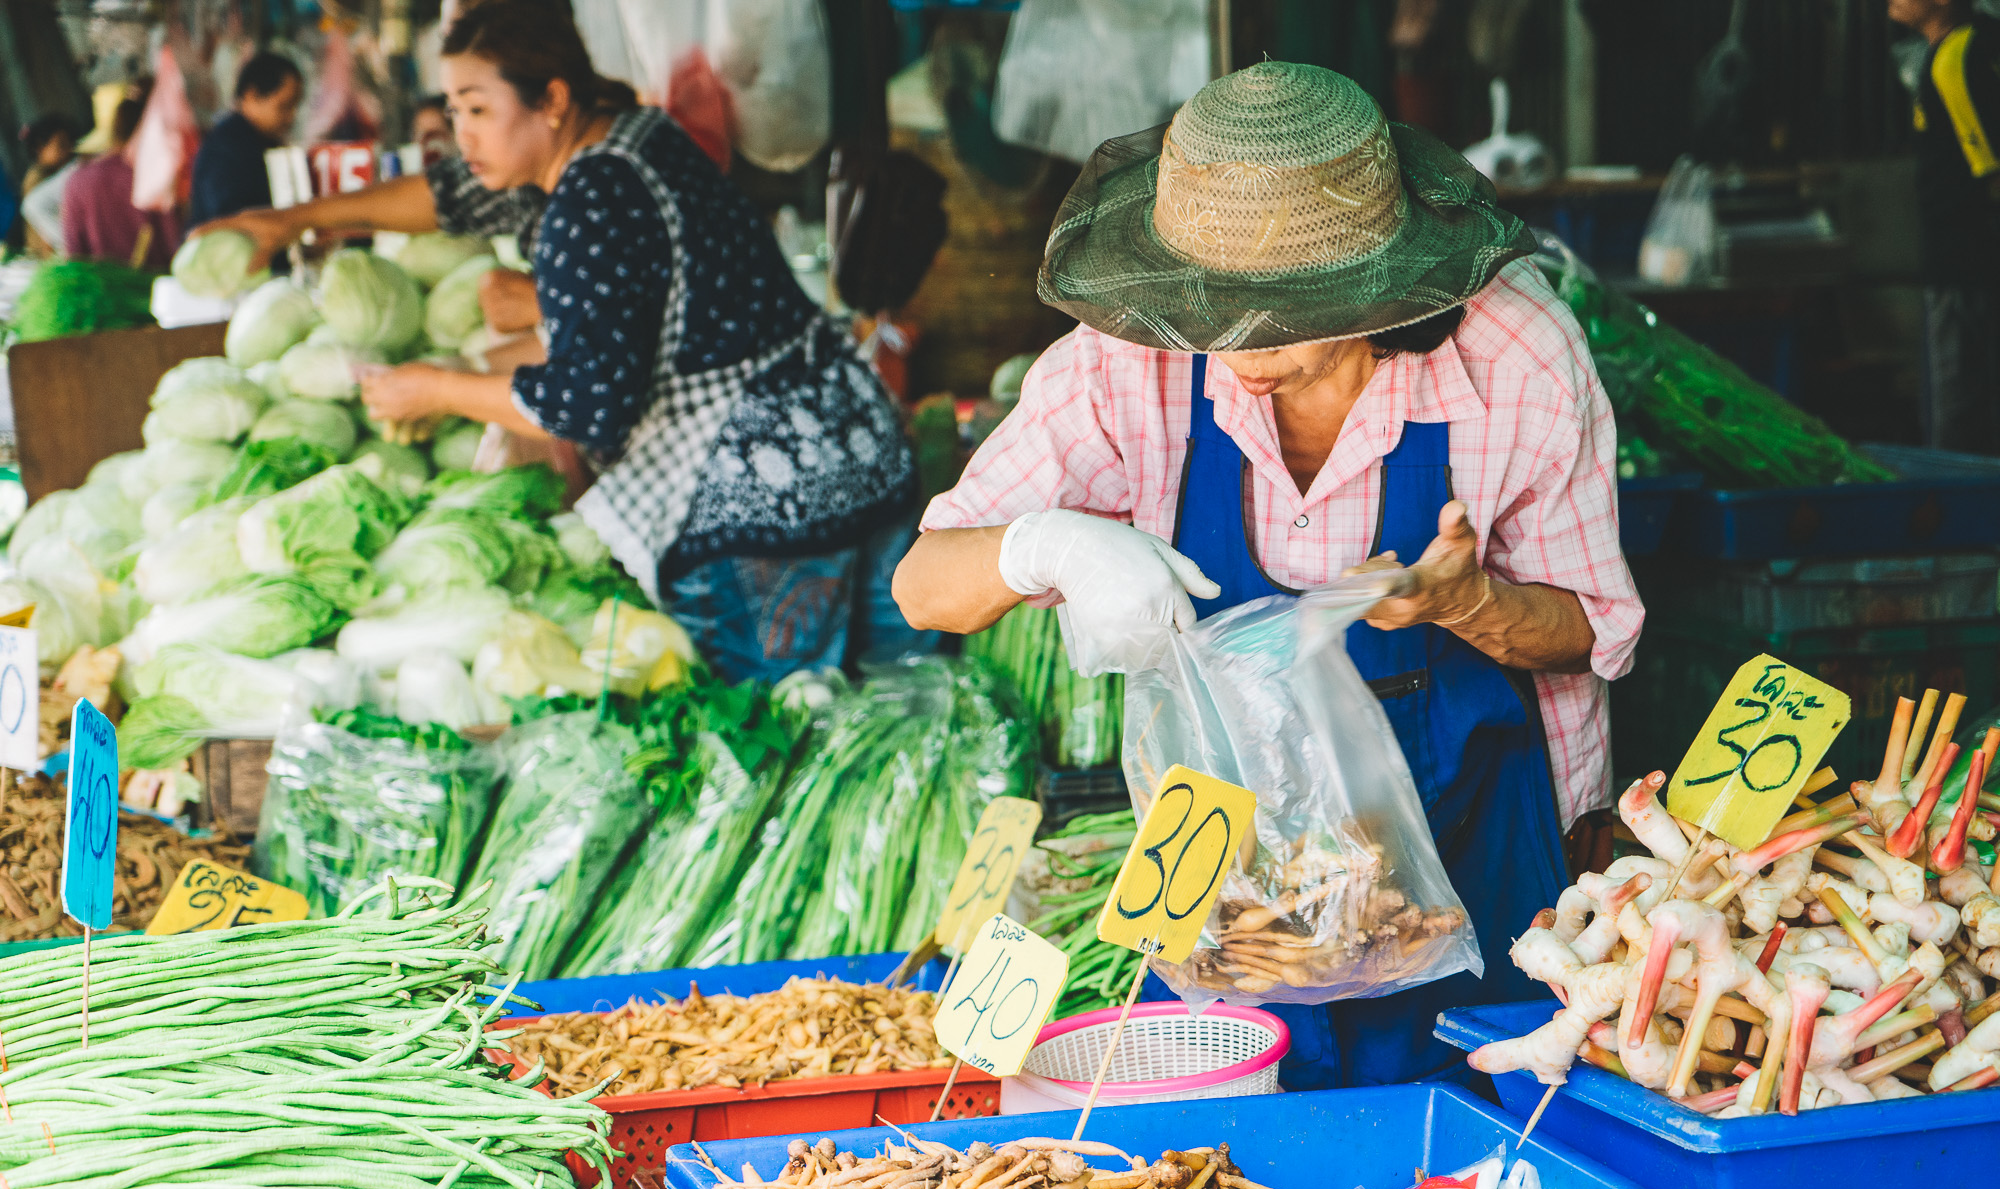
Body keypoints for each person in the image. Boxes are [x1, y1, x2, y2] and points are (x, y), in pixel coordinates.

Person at [896, 63, 1643, 1089]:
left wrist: (1468, 603)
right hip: (1226, 914)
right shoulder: (1129, 358)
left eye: (1285, 310)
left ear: (1379, 279)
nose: (1238, 344)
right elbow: (923, 585)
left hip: (1472, 893)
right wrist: (1044, 546)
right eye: (1211, 304)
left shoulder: (1513, 354)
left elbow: (1587, 629)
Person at [196, 0, 926, 683]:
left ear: (550, 99)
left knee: (786, 753)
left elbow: (588, 406)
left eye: (479, 110)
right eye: (454, 111)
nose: (462, 136)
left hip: (764, 511)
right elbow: (452, 195)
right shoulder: (628, 136)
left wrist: (437, 386)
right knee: (899, 725)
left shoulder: (589, 198)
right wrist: (291, 221)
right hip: (859, 455)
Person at [1892, 0, 2000, 453]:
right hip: (1976, 268)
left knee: (1956, 424)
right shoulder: (1978, 41)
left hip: (1964, 271)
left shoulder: (1955, 58)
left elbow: (1991, 172)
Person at [63, 90, 179, 268]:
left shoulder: (77, 181)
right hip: (152, 282)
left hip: (99, 287)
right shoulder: (152, 175)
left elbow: (74, 251)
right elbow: (173, 240)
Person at [188, 52, 303, 227]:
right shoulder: (227, 147)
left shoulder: (263, 143)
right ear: (251, 95)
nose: (291, 118)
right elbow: (229, 219)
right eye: (284, 106)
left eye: (295, 107)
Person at [17, 114, 78, 256]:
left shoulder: (58, 169)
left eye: (69, 143)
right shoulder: (36, 179)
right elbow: (44, 232)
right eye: (61, 145)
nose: (68, 149)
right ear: (40, 148)